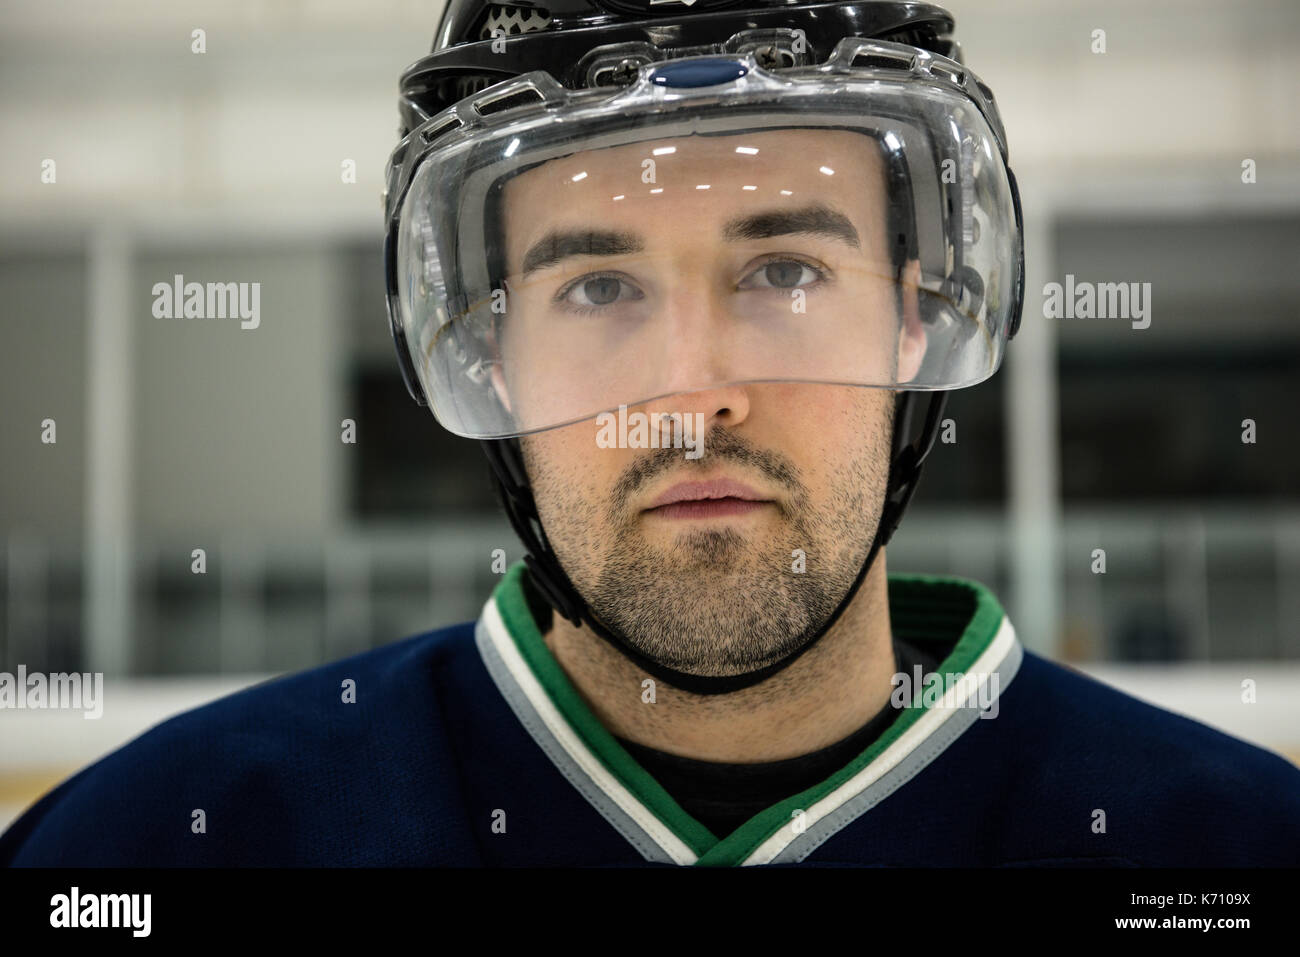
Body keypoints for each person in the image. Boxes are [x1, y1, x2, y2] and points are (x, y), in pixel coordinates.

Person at [4, 0, 1298, 867]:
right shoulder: (153, 849)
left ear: (914, 320)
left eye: (784, 271)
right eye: (598, 287)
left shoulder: (1229, 849)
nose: (692, 391)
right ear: (492, 353)